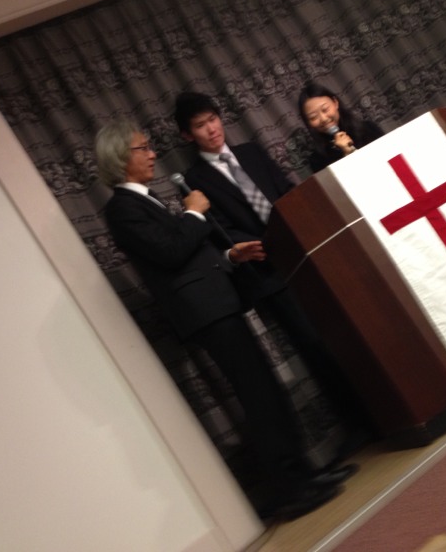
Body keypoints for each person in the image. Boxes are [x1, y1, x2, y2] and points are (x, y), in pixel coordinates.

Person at [95, 118, 355, 522]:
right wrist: (193, 214)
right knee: (258, 395)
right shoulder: (121, 209)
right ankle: (291, 488)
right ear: (119, 158)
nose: (152, 154)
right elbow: (169, 253)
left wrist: (229, 256)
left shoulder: (145, 199)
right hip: (206, 314)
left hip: (219, 304)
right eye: (143, 148)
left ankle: (304, 474)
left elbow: (186, 258)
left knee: (266, 390)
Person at [174, 92, 374, 457]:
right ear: (188, 135)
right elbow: (219, 232)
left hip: (305, 253)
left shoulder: (250, 152)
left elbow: (285, 190)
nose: (212, 129)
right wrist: (238, 250)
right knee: (312, 346)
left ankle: (383, 402)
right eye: (201, 125)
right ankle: (358, 422)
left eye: (213, 119)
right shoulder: (193, 180)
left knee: (346, 330)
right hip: (267, 273)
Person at [298, 82, 385, 172]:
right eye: (313, 117)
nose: (323, 119)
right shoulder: (317, 159)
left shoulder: (368, 128)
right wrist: (346, 153)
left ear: (335, 102)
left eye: (325, 109)